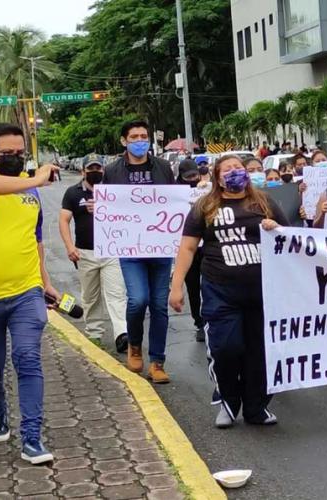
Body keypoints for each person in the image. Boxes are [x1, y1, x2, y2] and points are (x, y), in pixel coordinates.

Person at [170, 155, 287, 427]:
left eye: (239, 168)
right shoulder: (205, 206)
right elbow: (187, 248)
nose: (236, 172)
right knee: (226, 348)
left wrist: (276, 228)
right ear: (217, 177)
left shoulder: (264, 202)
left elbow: (290, 238)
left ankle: (257, 408)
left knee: (260, 352)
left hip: (262, 292)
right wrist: (177, 287)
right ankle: (227, 400)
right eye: (228, 169)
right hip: (220, 291)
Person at [0, 123, 61, 464]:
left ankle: (32, 438)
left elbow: (35, 241)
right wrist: (35, 178)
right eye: (6, 154)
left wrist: (46, 282)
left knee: (27, 358)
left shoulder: (31, 191)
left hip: (27, 291)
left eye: (20, 153)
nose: (15, 158)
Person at [103, 120, 175, 383]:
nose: (140, 140)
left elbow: (174, 202)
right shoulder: (112, 171)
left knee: (159, 305)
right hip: (130, 247)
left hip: (160, 246)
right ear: (124, 141)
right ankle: (134, 344)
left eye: (143, 136)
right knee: (137, 300)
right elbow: (107, 206)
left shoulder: (164, 167)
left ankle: (157, 362)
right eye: (134, 136)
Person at [59, 153, 128, 350]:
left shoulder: (111, 192)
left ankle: (122, 333)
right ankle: (94, 333)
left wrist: (105, 207)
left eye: (98, 168)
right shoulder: (73, 193)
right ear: (83, 171)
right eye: (91, 169)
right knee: (90, 296)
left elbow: (126, 215)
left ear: (103, 170)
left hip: (111, 251)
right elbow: (64, 220)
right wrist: (70, 247)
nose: (95, 172)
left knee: (116, 293)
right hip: (85, 253)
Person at [176, 160, 207, 342]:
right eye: (188, 178)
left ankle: (211, 318)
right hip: (186, 247)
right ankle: (199, 322)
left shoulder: (206, 188)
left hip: (207, 244)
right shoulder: (174, 192)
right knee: (193, 286)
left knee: (210, 284)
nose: (193, 180)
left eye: (195, 176)